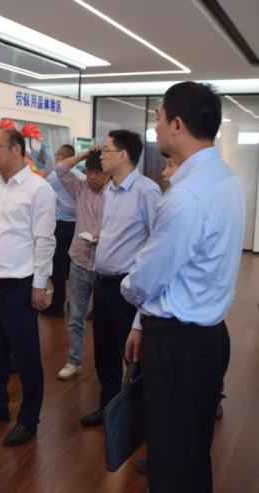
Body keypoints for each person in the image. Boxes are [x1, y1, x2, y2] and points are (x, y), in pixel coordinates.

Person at [123, 82, 244, 492]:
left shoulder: (187, 195)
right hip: (208, 337)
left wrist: (127, 288)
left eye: (158, 119)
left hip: (178, 346)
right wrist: (141, 320)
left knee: (170, 461)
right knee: (192, 452)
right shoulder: (224, 178)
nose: (155, 128)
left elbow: (145, 279)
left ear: (177, 125)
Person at [0, 127, 56, 447]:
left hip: (19, 286)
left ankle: (29, 420)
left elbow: (45, 241)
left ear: (17, 149)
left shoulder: (38, 189)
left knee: (27, 358)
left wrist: (39, 286)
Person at [80, 129, 162, 427]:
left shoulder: (146, 191)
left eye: (106, 150)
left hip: (127, 288)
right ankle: (109, 409)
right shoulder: (110, 190)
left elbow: (157, 242)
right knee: (104, 354)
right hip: (101, 283)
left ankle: (139, 417)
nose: (101, 155)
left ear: (123, 155)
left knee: (133, 356)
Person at [54, 148, 108, 380]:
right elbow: (60, 168)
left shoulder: (114, 194)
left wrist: (103, 239)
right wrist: (86, 154)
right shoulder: (80, 188)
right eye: (88, 171)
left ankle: (106, 368)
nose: (91, 177)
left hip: (103, 266)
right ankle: (74, 362)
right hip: (78, 261)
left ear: (108, 174)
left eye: (97, 172)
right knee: (76, 318)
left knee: (104, 322)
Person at [41, 145, 85, 318]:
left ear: (62, 158)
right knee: (73, 267)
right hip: (77, 227)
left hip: (59, 226)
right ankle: (73, 303)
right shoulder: (82, 176)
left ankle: (57, 304)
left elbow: (40, 191)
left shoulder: (54, 176)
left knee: (58, 268)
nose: (56, 157)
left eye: (57, 154)